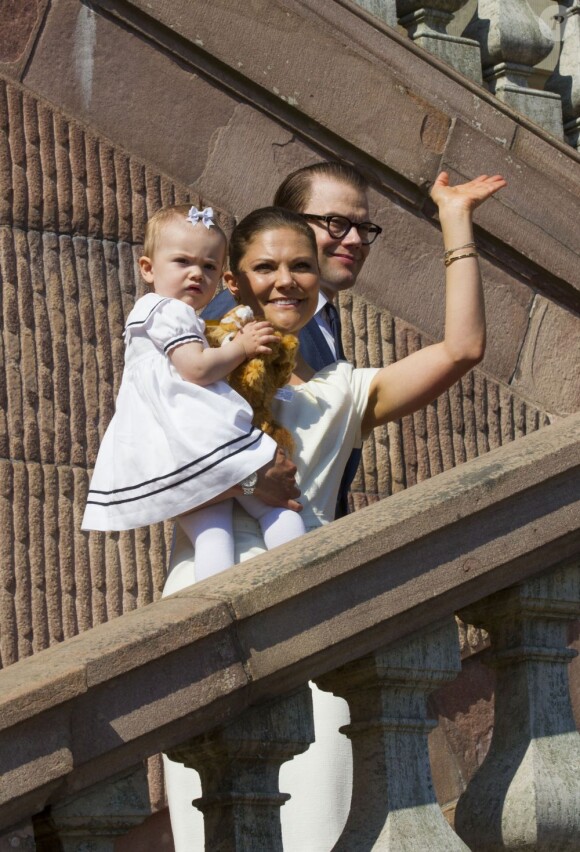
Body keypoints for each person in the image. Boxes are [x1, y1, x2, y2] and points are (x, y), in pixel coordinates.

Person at [163, 170, 507, 850]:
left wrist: (456, 219)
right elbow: (152, 466)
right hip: (201, 605)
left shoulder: (343, 391)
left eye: (300, 267)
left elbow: (462, 349)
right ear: (232, 279)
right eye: (266, 267)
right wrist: (244, 477)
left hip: (305, 614)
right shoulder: (185, 368)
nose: (286, 280)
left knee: (314, 827)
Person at [82, 203, 305, 580]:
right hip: (196, 436)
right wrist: (241, 348)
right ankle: (301, 576)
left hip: (170, 447)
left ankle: (218, 612)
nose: (195, 274)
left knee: (213, 535)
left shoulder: (162, 314)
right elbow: (197, 369)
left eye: (208, 266)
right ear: (148, 268)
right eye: (182, 262)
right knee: (278, 508)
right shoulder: (168, 310)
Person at [203, 161, 379, 517]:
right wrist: (251, 482)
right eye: (337, 223)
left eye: (363, 228)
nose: (356, 239)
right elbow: (187, 438)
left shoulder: (322, 319)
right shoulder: (241, 313)